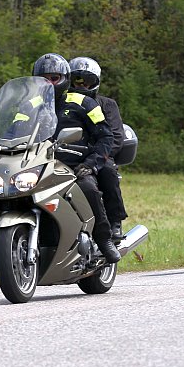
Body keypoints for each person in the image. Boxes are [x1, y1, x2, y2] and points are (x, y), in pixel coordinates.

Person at [32, 53, 121, 263]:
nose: (49, 83)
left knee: (88, 189)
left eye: (54, 78)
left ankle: (104, 239)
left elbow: (106, 136)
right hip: (40, 164)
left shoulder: (83, 102)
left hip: (75, 166)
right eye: (44, 78)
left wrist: (91, 164)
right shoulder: (32, 104)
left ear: (65, 78)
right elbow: (13, 129)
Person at [69, 57, 127, 243]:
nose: (82, 85)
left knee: (109, 171)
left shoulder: (106, 104)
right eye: (77, 80)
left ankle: (115, 221)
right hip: (65, 154)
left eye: (88, 81)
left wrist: (97, 158)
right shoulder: (61, 102)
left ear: (96, 82)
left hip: (98, 155)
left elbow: (116, 137)